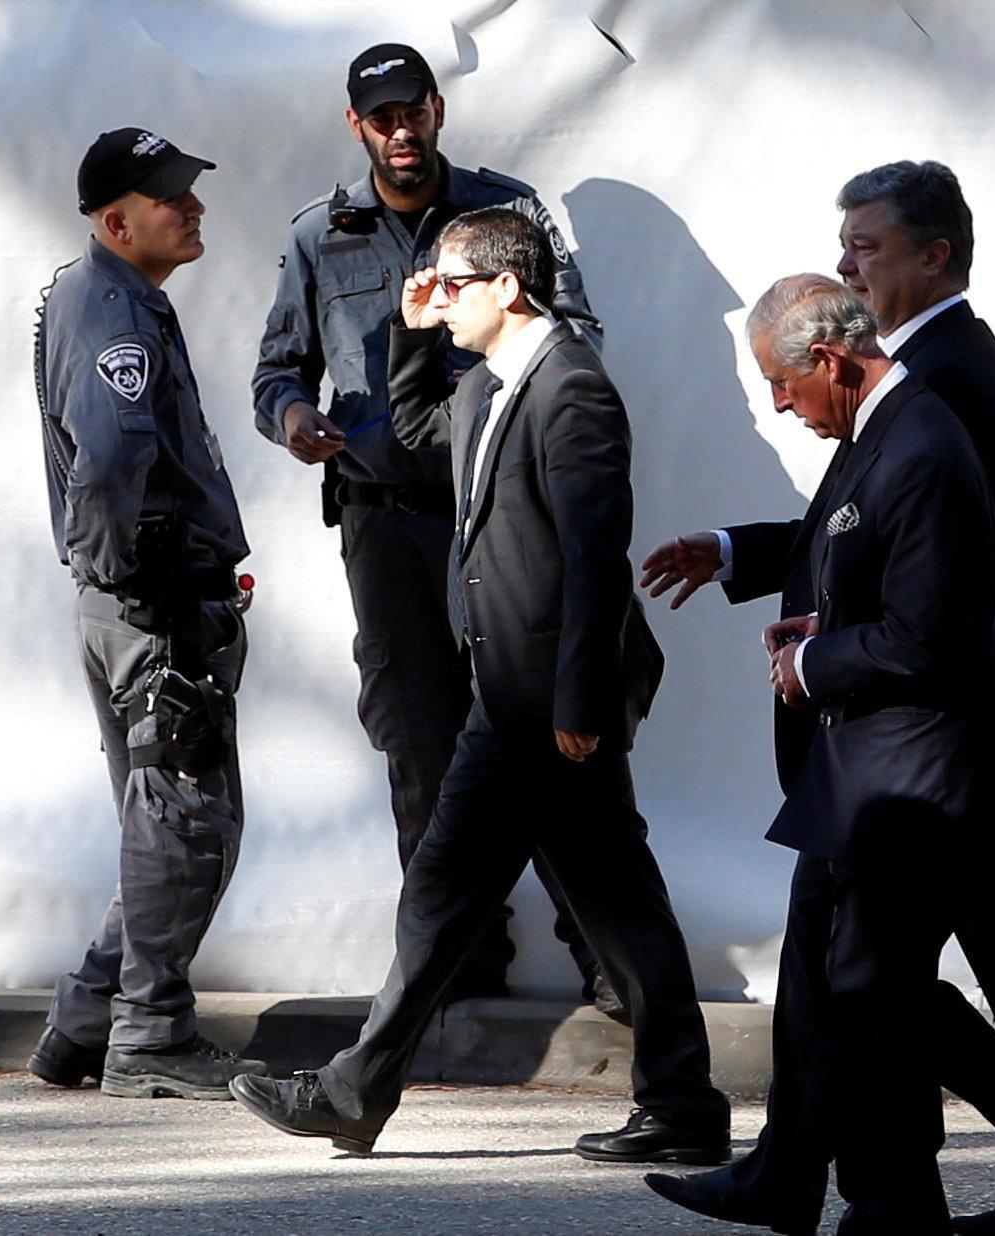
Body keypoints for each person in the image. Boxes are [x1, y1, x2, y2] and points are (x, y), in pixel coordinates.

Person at [641, 162, 995, 1236]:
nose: (848, 260)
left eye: (864, 244)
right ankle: (842, 1180)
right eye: (845, 246)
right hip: (903, 739)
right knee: (851, 969)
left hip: (935, 743)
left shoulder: (940, 383)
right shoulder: (910, 376)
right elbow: (852, 537)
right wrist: (736, 554)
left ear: (931, 256)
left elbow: (939, 588)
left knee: (933, 981)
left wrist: (828, 662)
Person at [227, 207, 728, 1161]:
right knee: (592, 900)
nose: (436, 295)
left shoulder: (571, 388)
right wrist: (407, 335)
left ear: (509, 286)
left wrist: (581, 706)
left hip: (545, 702)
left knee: (461, 897)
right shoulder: (490, 384)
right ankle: (679, 1105)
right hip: (511, 691)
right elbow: (410, 427)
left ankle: (356, 1092)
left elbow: (593, 556)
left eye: (451, 283)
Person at [250, 42, 614, 1009]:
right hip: (381, 522)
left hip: (495, 515)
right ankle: (455, 970)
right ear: (355, 125)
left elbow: (573, 332)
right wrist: (292, 420)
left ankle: (611, 953)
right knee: (420, 742)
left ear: (440, 109)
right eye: (382, 118)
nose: (401, 132)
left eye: (414, 111)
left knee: (540, 727)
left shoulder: (504, 215)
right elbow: (276, 371)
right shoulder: (316, 238)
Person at [27, 128, 267, 1100]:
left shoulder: (109, 298)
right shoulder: (115, 310)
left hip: (130, 604)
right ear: (116, 221)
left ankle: (86, 1021)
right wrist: (153, 580)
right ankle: (150, 1034)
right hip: (153, 609)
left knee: (162, 819)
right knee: (188, 820)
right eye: (172, 196)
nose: (193, 206)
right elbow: (117, 458)